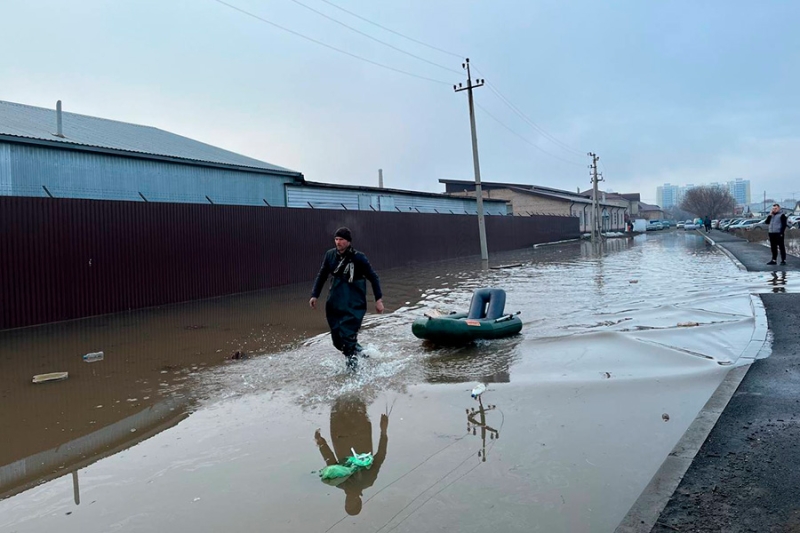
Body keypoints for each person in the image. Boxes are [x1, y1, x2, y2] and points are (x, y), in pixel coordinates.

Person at [310, 227, 384, 369]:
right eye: (336, 239)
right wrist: (315, 295)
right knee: (337, 340)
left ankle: (352, 373)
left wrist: (378, 299)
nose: (338, 242)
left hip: (354, 304)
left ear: (348, 241)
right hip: (335, 302)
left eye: (341, 239)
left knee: (348, 336)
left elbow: (373, 277)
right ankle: (361, 352)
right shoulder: (330, 255)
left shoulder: (359, 258)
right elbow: (322, 275)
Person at [315, 395, 388, 516]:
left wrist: (321, 444)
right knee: (357, 397)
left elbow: (330, 460)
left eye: (347, 504)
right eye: (352, 503)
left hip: (339, 435)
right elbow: (380, 456)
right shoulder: (367, 480)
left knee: (337, 399)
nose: (349, 501)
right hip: (361, 433)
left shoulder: (338, 481)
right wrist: (383, 432)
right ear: (359, 501)